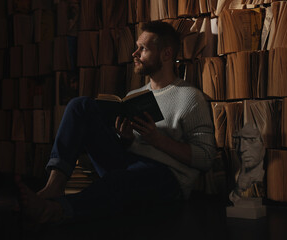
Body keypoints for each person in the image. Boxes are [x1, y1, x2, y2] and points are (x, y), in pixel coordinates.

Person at [15, 21, 217, 226]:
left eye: (143, 48)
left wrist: (157, 140)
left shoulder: (189, 97)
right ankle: (54, 186)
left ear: (166, 54)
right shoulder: (135, 96)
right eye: (136, 47)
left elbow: (206, 158)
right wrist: (126, 139)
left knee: (120, 180)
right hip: (129, 164)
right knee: (80, 105)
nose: (134, 53)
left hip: (167, 178)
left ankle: (55, 210)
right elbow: (130, 148)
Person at [229, 123, 265, 203]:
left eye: (251, 140)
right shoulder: (236, 176)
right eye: (237, 141)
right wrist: (238, 190)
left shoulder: (270, 178)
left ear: (264, 144)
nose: (241, 149)